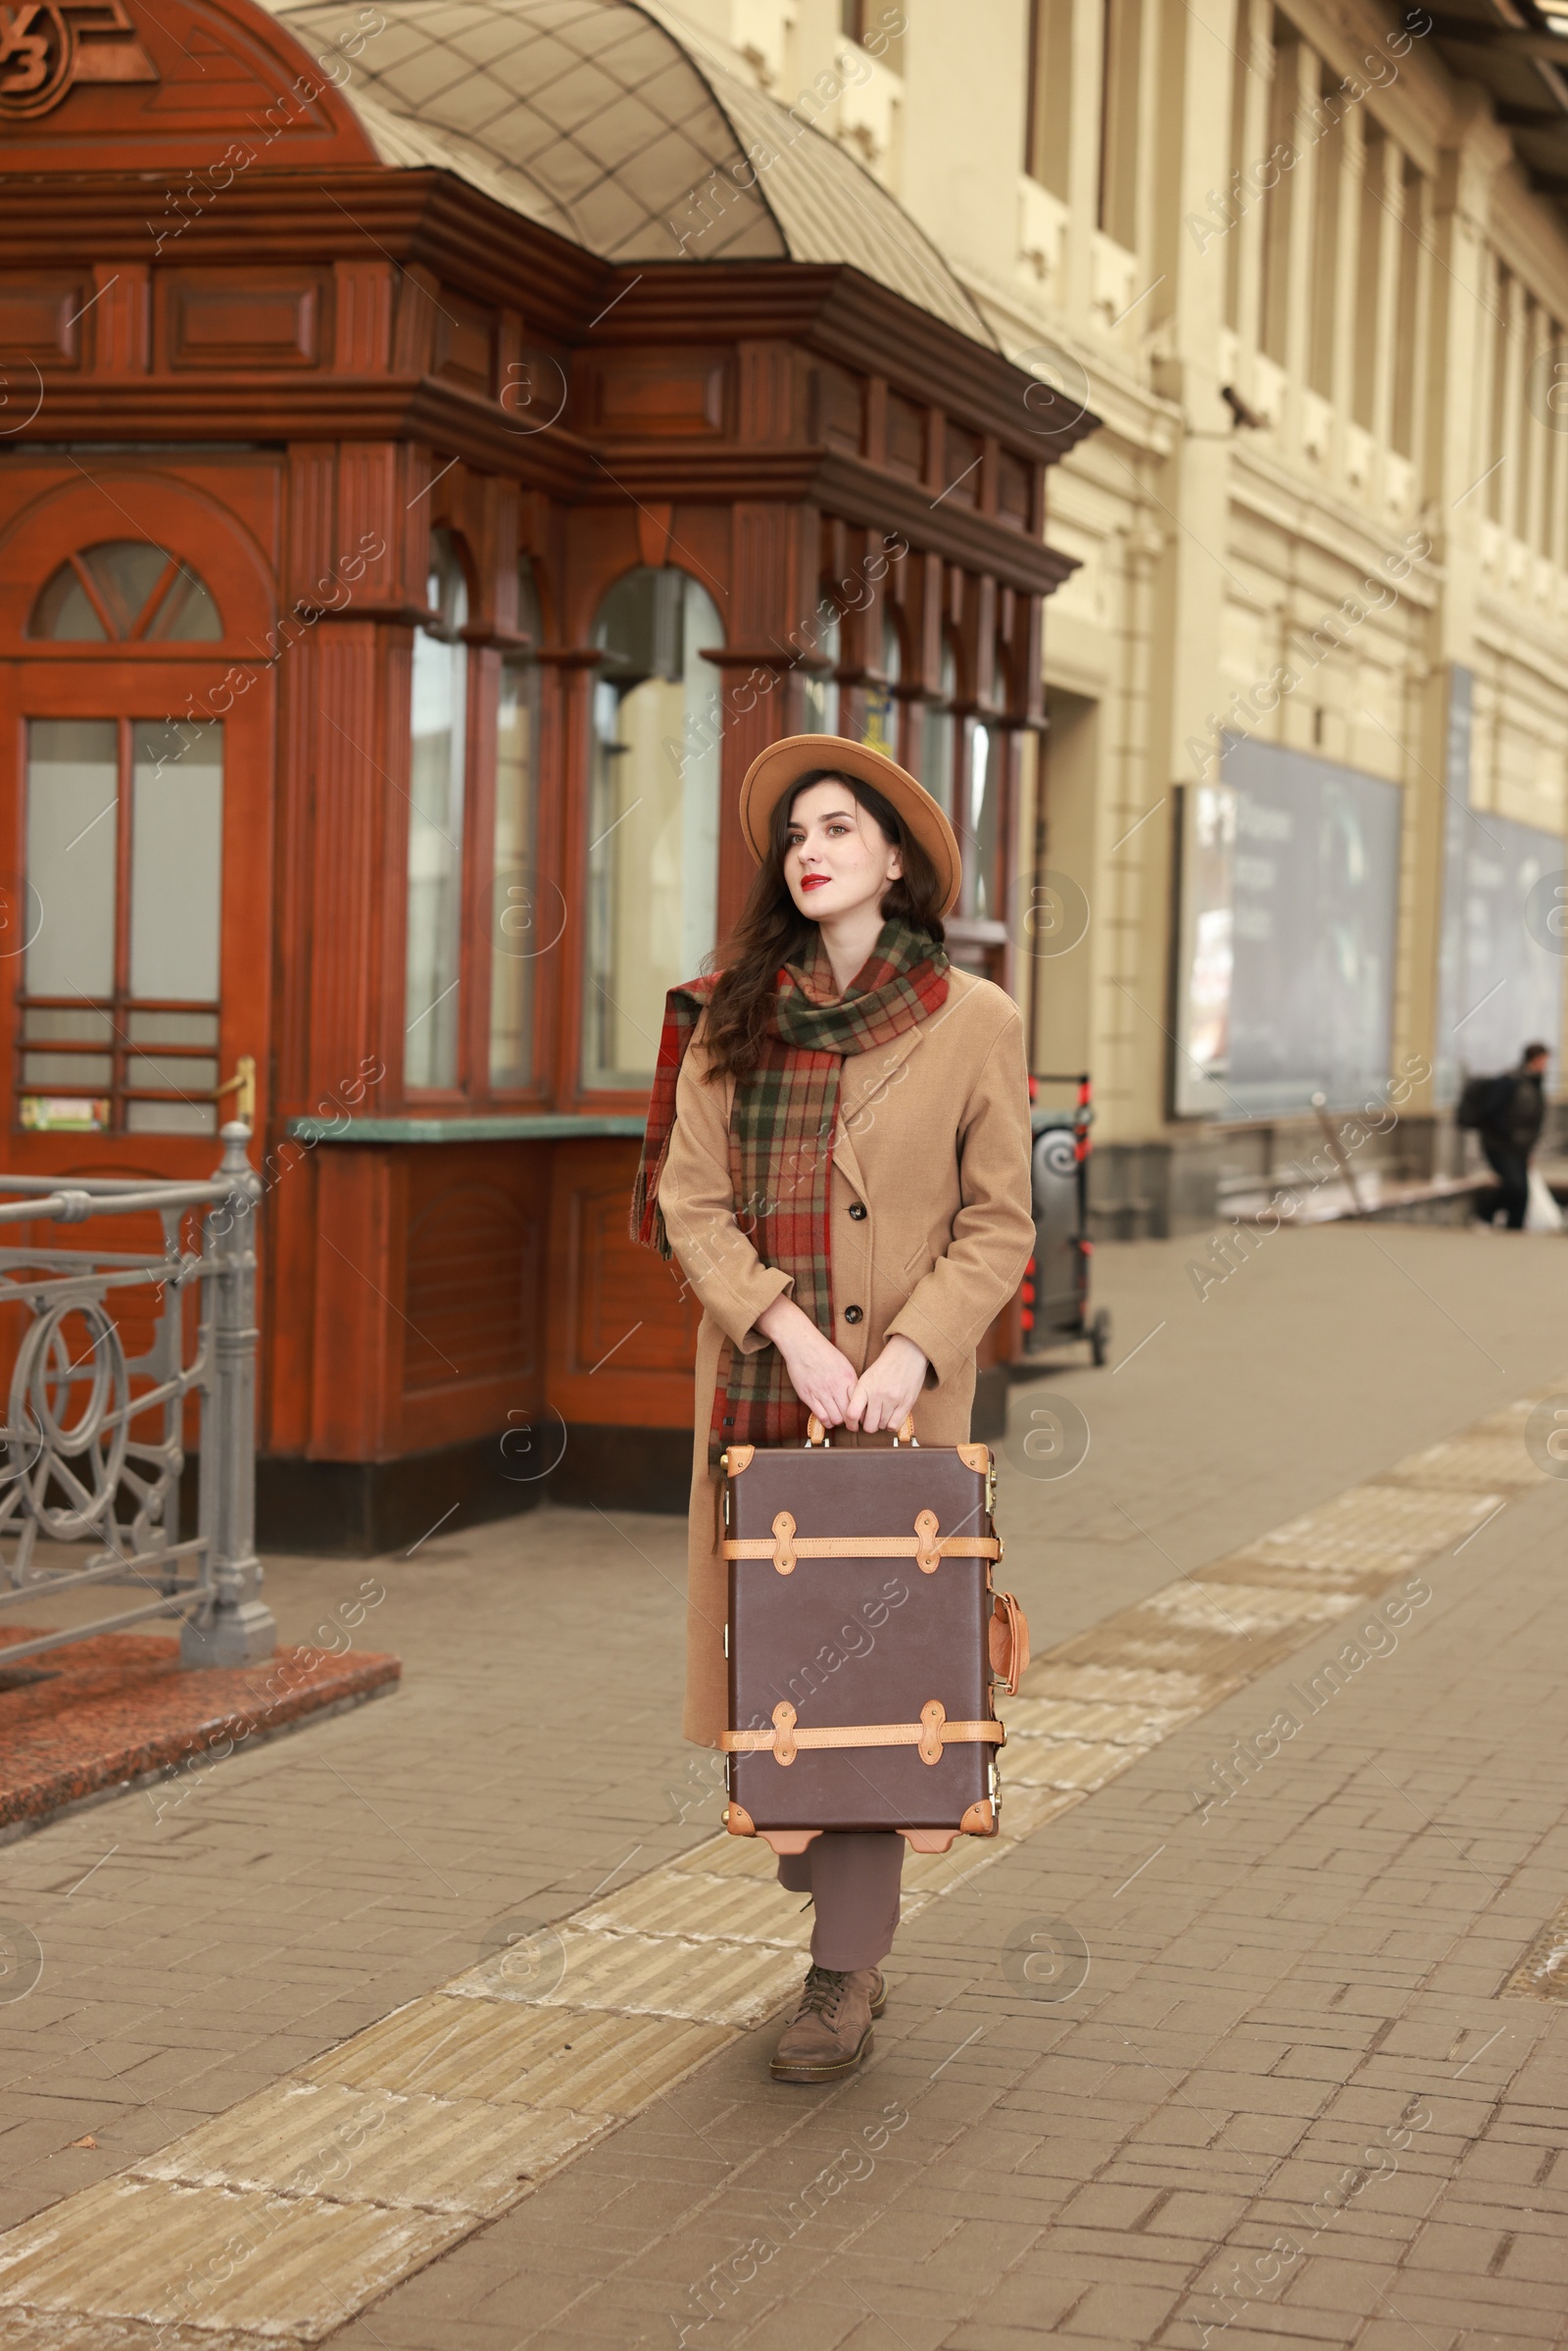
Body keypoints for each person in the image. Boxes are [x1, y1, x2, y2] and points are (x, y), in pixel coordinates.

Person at [632, 734, 1034, 2084]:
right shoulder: (727, 1012)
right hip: (766, 1393)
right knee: (783, 1677)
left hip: (899, 1408)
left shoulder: (973, 1017)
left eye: (840, 828)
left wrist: (916, 1350)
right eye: (796, 832)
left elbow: (997, 1222)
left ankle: (843, 1970)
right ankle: (839, 1902)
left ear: (897, 858)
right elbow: (690, 1201)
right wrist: (784, 1326)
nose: (810, 848)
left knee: (878, 1680)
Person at [1472, 1042, 1550, 1231]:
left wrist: (1528, 1148)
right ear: (1535, 1059)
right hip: (1501, 1145)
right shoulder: (1511, 1081)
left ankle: (1514, 1230)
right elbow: (1490, 1112)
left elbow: (1534, 1121)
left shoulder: (1535, 1083)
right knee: (1514, 1186)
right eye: (1544, 1060)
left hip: (1521, 1148)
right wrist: (1509, 1134)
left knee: (1522, 1193)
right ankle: (1484, 1212)